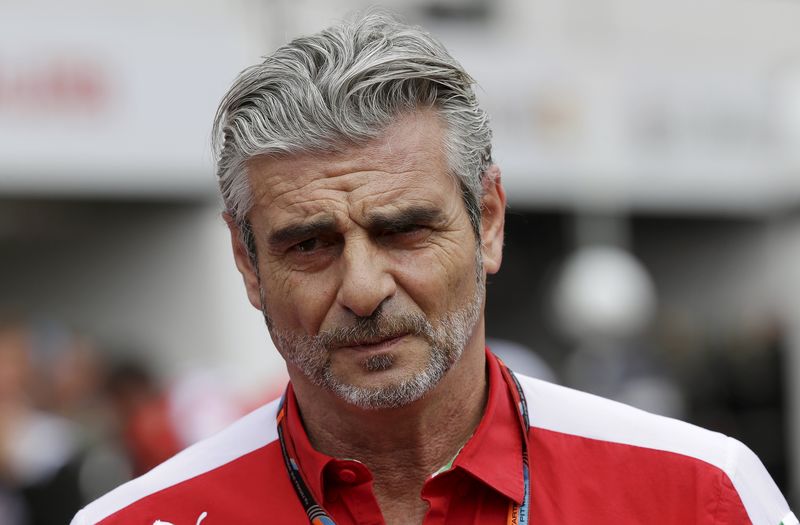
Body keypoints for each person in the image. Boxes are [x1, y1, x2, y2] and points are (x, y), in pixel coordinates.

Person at [72, 12, 796, 525]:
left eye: (404, 229)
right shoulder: (138, 520)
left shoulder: (700, 493)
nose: (363, 288)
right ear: (248, 261)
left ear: (487, 219)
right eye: (309, 245)